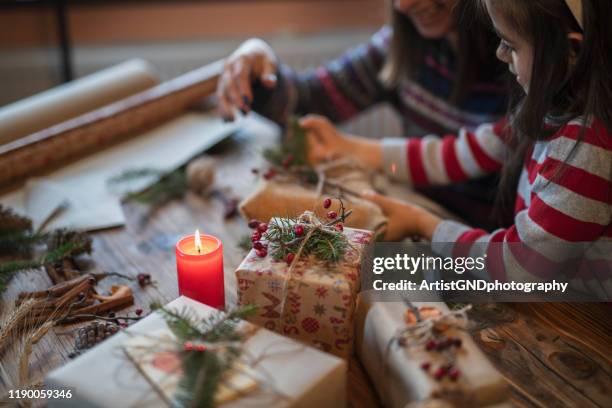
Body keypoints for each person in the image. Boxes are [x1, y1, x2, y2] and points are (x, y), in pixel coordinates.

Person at [303, 0, 612, 284]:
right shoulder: (549, 110)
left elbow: (520, 267)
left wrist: (426, 225)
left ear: (569, 53)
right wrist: (352, 149)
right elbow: (462, 153)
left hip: (583, 322)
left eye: (511, 45)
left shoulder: (585, 147)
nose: (499, 54)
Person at [216, 0, 509, 228]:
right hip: (418, 227)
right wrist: (258, 58)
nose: (402, 5)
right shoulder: (402, 44)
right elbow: (308, 102)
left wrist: (355, 149)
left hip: (496, 263)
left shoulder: (528, 65)